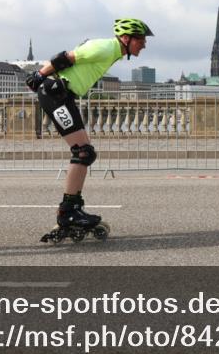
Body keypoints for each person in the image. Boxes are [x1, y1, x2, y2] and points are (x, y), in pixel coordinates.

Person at [27, 18, 153, 243]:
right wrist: (39, 75)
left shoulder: (113, 52)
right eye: (141, 40)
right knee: (82, 152)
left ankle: (72, 207)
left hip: (64, 96)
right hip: (55, 94)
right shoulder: (105, 47)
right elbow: (65, 57)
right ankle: (68, 212)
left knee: (86, 153)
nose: (143, 45)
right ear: (126, 39)